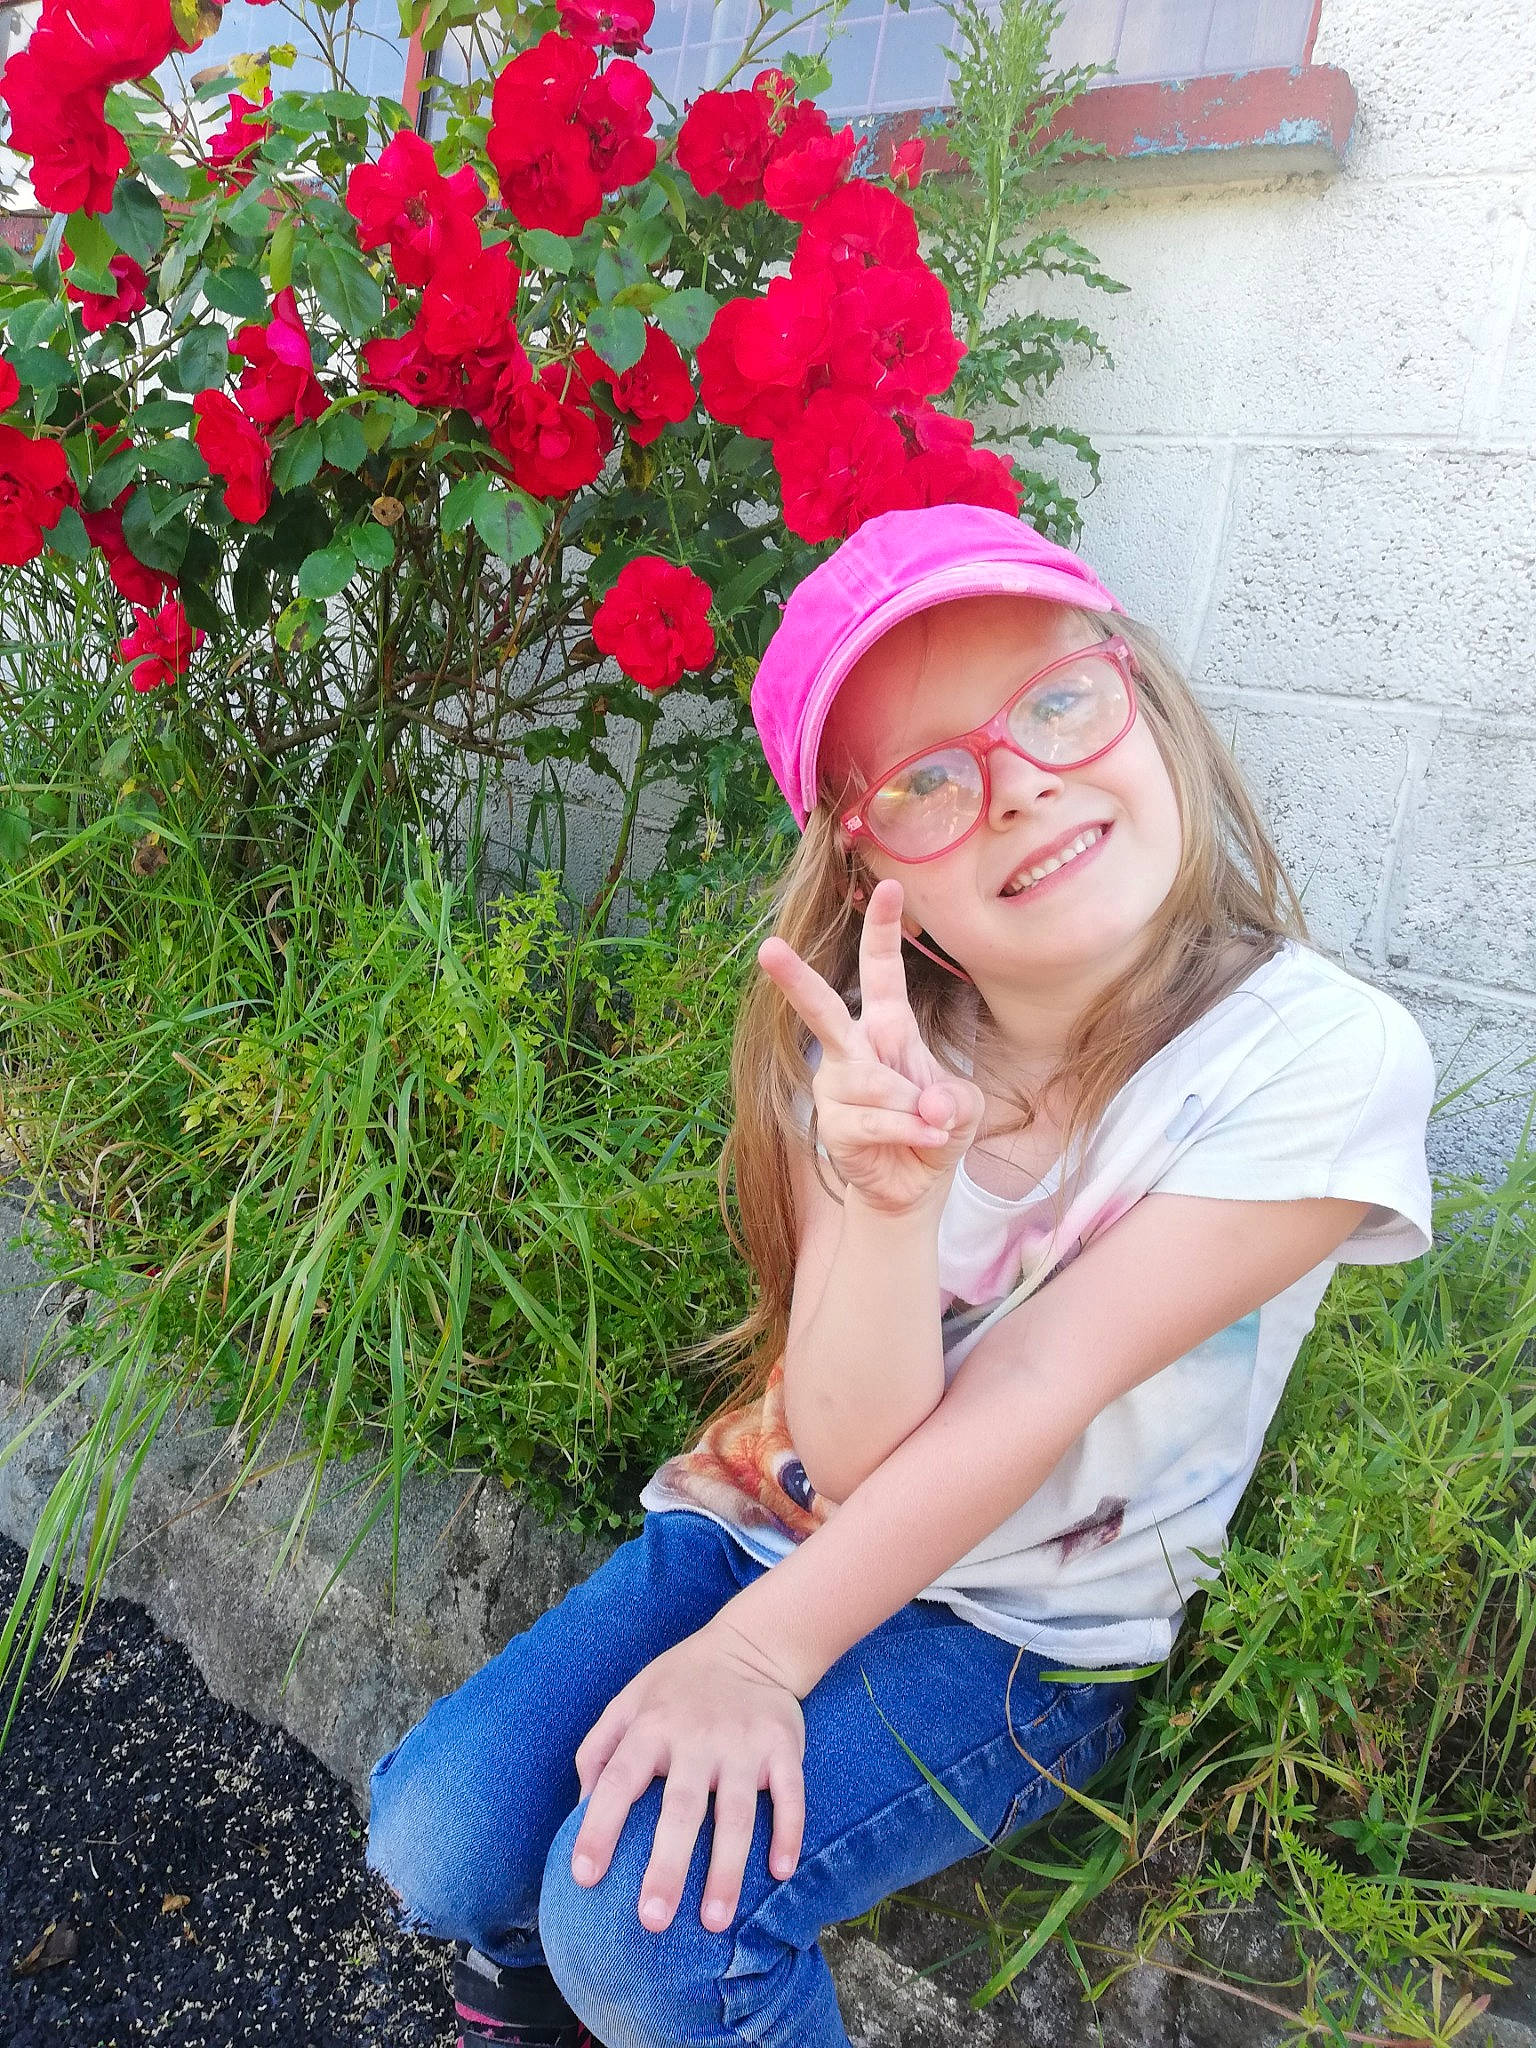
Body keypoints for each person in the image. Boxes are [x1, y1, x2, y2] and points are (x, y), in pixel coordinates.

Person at [365, 504, 1435, 2048]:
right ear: (872, 860)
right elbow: (849, 1443)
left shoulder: (1318, 1059)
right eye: (929, 781)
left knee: (653, 1934)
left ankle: (619, 1981)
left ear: (1140, 690)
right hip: (763, 1522)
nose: (1015, 789)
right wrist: (883, 1202)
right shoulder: (867, 1051)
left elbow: (1039, 1380)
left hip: (1022, 1626)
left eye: (1055, 702)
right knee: (439, 1836)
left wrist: (756, 1658)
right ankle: (527, 1972)